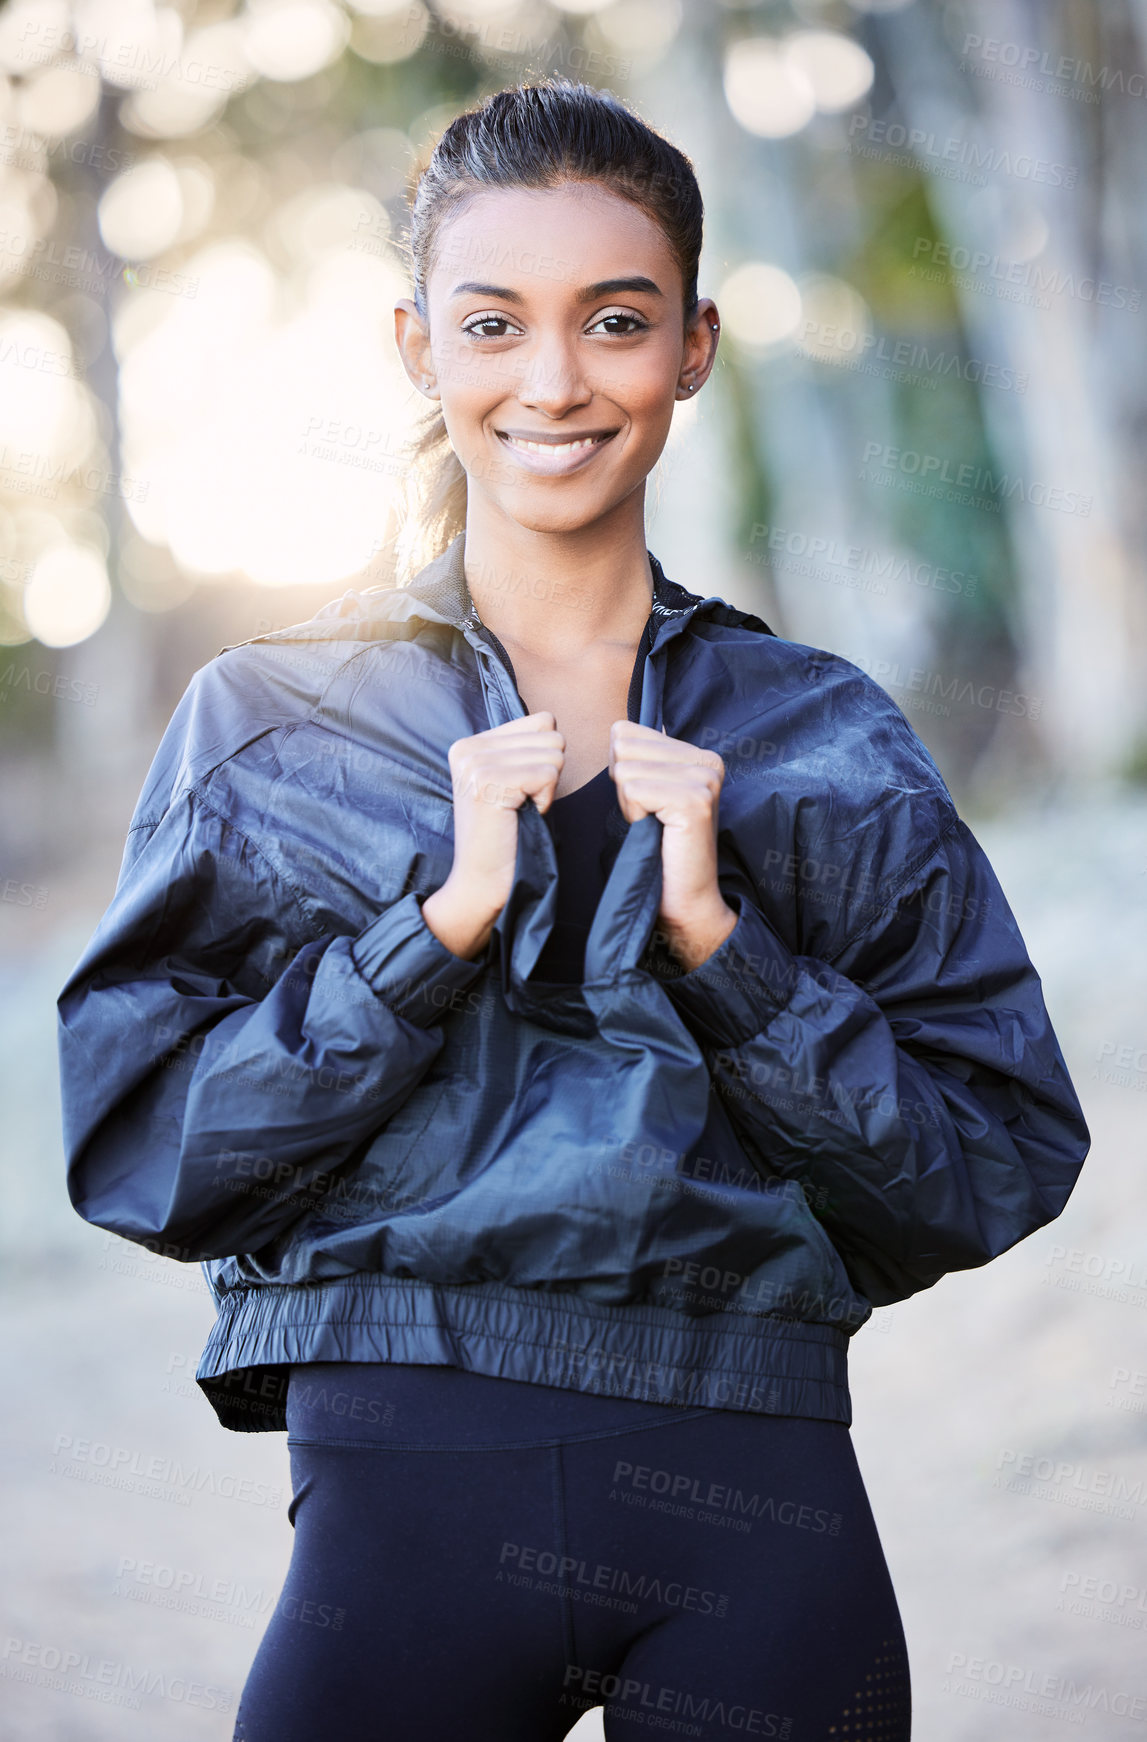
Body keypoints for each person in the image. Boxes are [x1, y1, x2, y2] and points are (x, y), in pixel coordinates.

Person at [56, 79, 1090, 1742]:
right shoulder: (268, 724)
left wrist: (730, 958)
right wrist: (435, 927)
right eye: (493, 323)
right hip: (403, 1498)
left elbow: (987, 1165)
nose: (554, 381)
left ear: (693, 343)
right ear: (417, 347)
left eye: (616, 320)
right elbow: (148, 1152)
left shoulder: (820, 731)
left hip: (762, 1505)